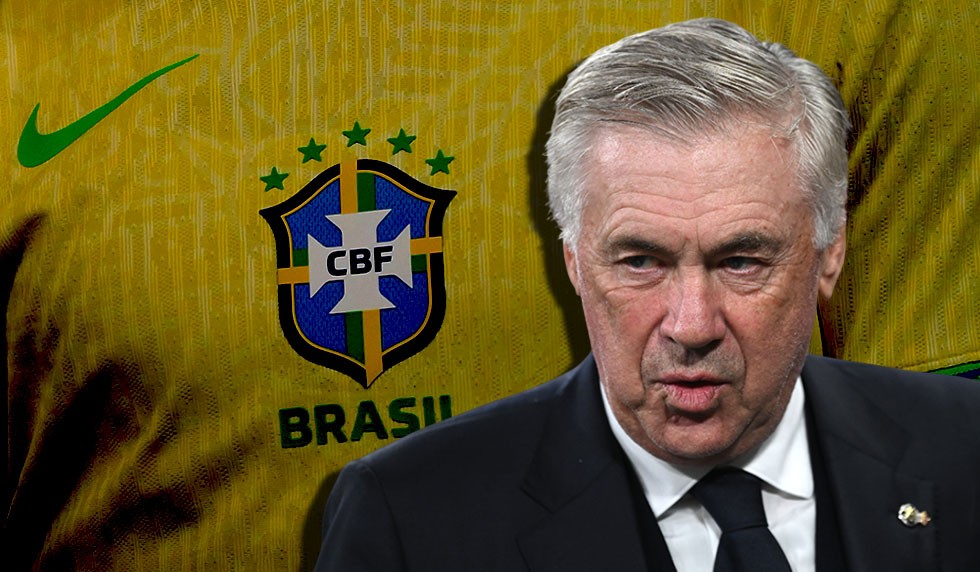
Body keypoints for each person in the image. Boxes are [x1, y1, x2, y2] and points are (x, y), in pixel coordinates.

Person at [315, 18, 980, 572]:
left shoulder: (967, 443)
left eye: (741, 261)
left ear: (830, 253)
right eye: (640, 261)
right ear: (574, 261)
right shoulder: (409, 518)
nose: (691, 325)